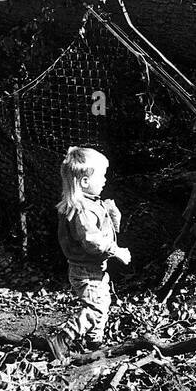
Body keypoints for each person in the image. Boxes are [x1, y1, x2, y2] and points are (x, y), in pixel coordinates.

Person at [48, 147, 131, 358]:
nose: (104, 180)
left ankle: (94, 342)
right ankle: (62, 339)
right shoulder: (82, 209)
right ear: (84, 181)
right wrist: (116, 251)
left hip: (93, 268)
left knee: (102, 303)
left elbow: (111, 230)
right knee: (95, 308)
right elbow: (92, 242)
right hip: (86, 270)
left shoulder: (92, 204)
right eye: (101, 175)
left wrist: (113, 214)